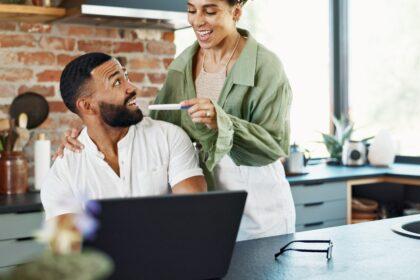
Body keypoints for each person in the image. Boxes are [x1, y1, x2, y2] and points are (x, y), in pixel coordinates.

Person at [56, 0, 295, 241]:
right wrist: (90, 129)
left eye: (210, 11)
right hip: (209, 207)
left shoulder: (266, 67)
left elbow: (275, 146)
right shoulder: (183, 65)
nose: (197, 20)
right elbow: (155, 121)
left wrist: (221, 122)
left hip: (257, 208)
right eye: (191, 10)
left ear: (236, 12)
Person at [42, 52, 207, 222]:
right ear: (87, 106)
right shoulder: (64, 171)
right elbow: (68, 245)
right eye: (117, 82)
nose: (133, 88)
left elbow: (194, 216)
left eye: (126, 76)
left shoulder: (169, 137)